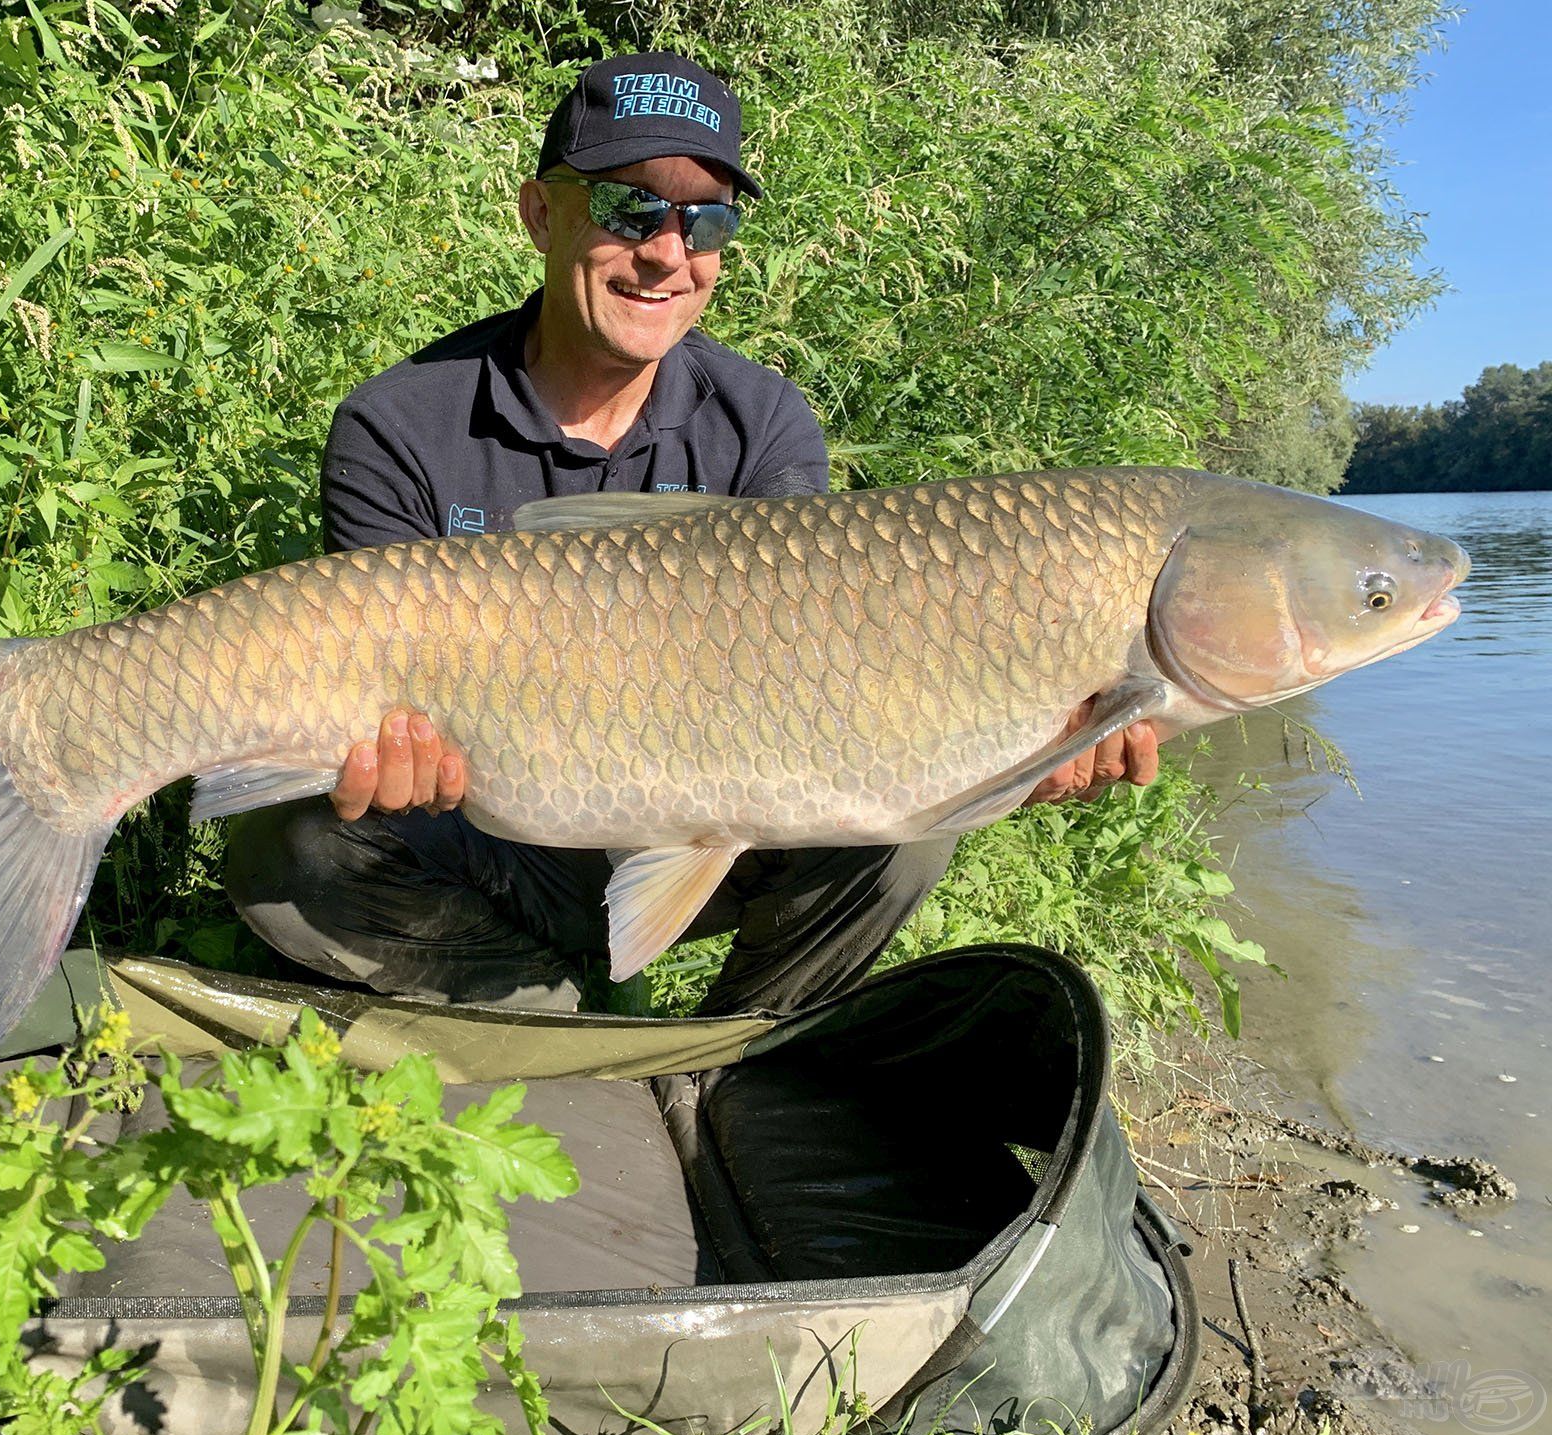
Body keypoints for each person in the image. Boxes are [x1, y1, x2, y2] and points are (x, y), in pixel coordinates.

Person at [225, 52, 1159, 1015]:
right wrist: (392, 759)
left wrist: (1023, 750)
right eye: (631, 208)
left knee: (913, 822)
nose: (668, 252)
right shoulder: (401, 425)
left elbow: (820, 684)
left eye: (706, 219)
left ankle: (732, 1055)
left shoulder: (764, 424)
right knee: (288, 846)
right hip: (489, 835)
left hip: (719, 821)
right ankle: (547, 1029)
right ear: (543, 214)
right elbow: (376, 705)